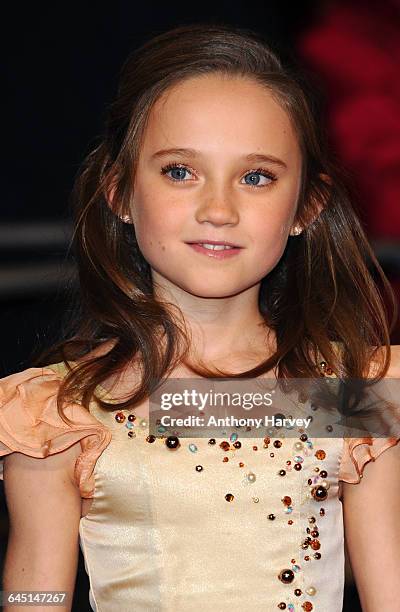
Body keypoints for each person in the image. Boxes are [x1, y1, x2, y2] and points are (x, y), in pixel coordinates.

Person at [1, 23, 399, 612]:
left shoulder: (353, 393)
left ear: (305, 208)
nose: (218, 210)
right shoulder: (56, 414)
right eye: (180, 172)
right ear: (119, 193)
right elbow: (33, 597)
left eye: (256, 177)